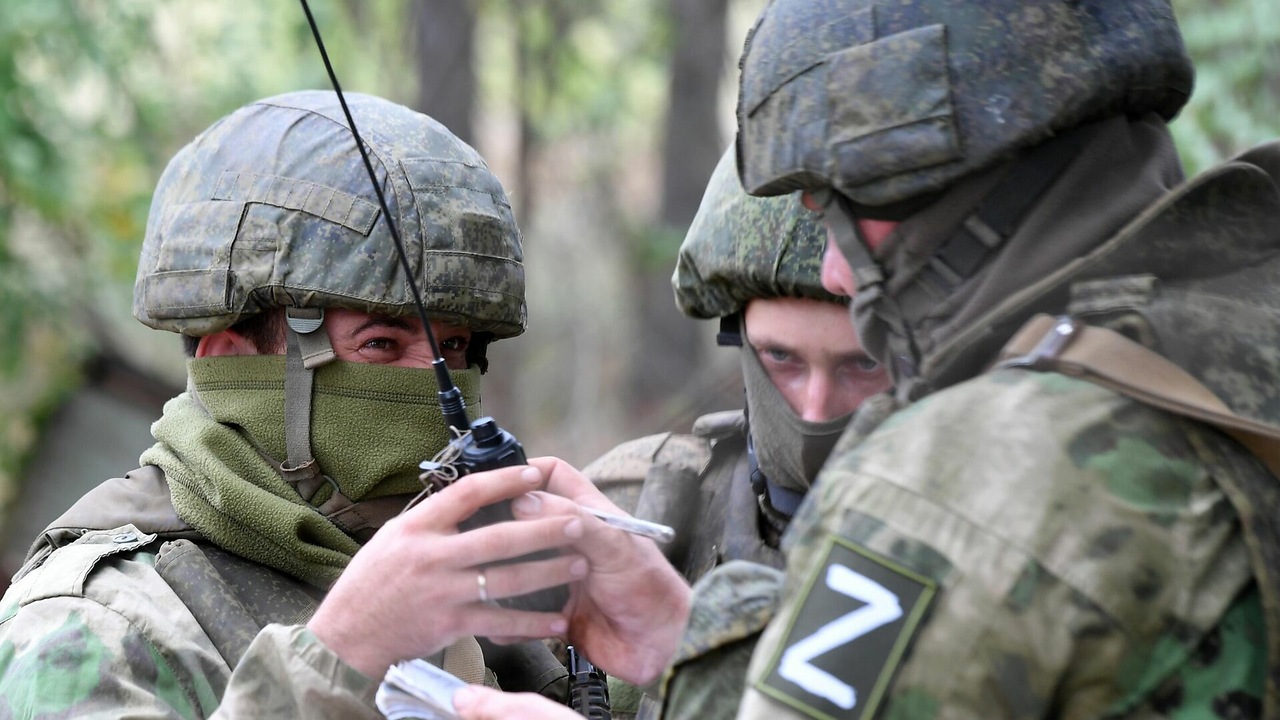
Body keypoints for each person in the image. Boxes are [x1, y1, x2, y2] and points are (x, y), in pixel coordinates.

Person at [453, 0, 1280, 718]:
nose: (841, 270)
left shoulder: (964, 472)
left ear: (939, 173)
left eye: (845, 205)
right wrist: (693, 644)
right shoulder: (1236, 332)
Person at [0, 90, 591, 718]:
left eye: (453, 346)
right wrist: (336, 661)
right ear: (232, 363)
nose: (432, 388)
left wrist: (643, 649)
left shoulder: (485, 603)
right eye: (381, 344)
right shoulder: (97, 624)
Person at [585, 147, 891, 718]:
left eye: (864, 364)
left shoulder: (985, 532)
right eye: (782, 357)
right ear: (738, 338)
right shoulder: (629, 503)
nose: (817, 409)